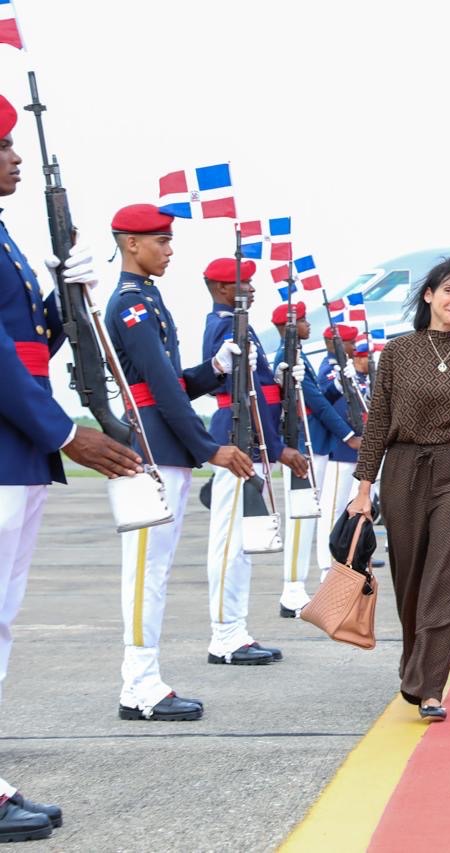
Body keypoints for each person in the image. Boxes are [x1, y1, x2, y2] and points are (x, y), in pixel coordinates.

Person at [0, 96, 144, 842]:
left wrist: (66, 295)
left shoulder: (4, 238)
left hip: (15, 448)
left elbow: (32, 343)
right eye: (3, 147)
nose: (16, 158)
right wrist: (65, 433)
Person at [105, 205, 255, 721]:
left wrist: (213, 369)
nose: (169, 251)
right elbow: (161, 389)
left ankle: (145, 679)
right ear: (131, 244)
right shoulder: (131, 304)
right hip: (152, 446)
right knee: (146, 571)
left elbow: (174, 382)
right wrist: (209, 447)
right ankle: (138, 686)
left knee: (157, 570)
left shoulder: (149, 299)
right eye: (161, 241)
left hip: (165, 445)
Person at [348, 258, 450, 721]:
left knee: (444, 577)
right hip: (403, 469)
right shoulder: (397, 353)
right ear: (429, 296)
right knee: (410, 578)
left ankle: (431, 685)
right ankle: (413, 665)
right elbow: (378, 422)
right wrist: (364, 488)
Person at [201, 259, 308, 665]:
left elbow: (260, 389)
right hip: (239, 440)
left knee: (240, 545)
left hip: (251, 440)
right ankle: (225, 636)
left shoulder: (238, 325)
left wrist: (279, 382)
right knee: (229, 545)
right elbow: (242, 394)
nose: (251, 288)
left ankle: (235, 630)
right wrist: (276, 447)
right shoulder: (225, 327)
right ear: (221, 288)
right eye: (242, 282)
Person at [271, 302, 359, 617]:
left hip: (314, 444)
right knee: (301, 518)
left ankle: (298, 587)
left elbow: (319, 397)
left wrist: (336, 386)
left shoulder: (298, 355)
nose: (309, 325)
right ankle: (292, 591)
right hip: (303, 444)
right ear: (289, 325)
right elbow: (317, 405)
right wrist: (348, 435)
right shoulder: (288, 357)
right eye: (304, 321)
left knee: (308, 516)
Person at [316, 322, 363, 573]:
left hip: (350, 449)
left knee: (344, 506)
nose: (354, 347)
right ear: (336, 344)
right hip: (339, 448)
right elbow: (325, 402)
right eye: (350, 342)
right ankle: (327, 565)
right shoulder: (329, 369)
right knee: (332, 508)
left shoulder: (343, 368)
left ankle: (341, 559)